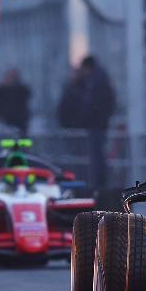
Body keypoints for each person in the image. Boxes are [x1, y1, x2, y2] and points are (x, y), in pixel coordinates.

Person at [57, 56, 115, 205]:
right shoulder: (95, 81)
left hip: (92, 127)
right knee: (89, 161)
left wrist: (85, 120)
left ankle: (93, 189)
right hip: (90, 127)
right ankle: (92, 188)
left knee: (90, 161)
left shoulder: (94, 84)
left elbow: (90, 106)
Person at [0, 68, 31, 137]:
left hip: (21, 121)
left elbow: (26, 96)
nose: (11, 79)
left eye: (13, 76)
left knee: (23, 140)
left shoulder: (22, 89)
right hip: (5, 121)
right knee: (7, 140)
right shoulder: (0, 90)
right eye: (10, 76)